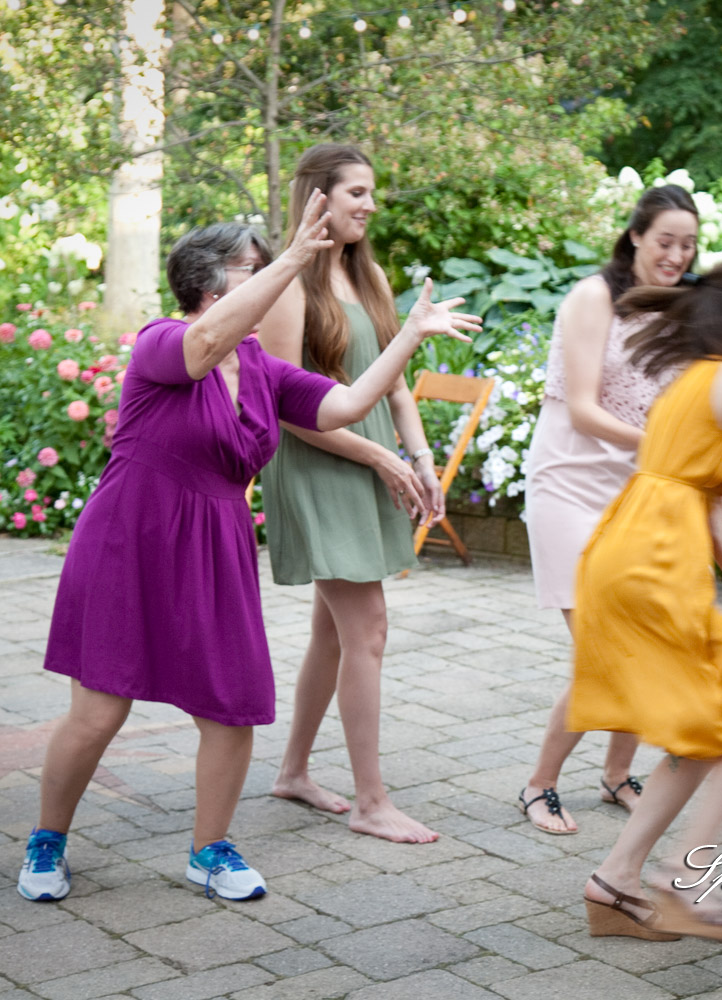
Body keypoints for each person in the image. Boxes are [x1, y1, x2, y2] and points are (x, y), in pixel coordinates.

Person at [18, 195, 478, 903]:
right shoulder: (162, 341)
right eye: (253, 268)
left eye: (273, 269)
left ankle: (210, 850)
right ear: (207, 284)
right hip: (130, 540)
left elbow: (348, 407)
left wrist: (411, 334)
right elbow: (203, 350)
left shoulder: (263, 370)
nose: (275, 281)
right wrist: (296, 254)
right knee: (100, 711)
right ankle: (47, 840)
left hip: (216, 547)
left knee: (231, 705)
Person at [568, 254, 722, 943]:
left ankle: (615, 881)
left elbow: (707, 512)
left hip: (624, 552)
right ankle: (684, 876)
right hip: (653, 564)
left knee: (714, 723)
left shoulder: (691, 379)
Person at [257, 144, 450, 845]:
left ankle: (293, 771)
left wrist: (419, 457)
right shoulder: (286, 288)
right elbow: (284, 410)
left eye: (371, 193)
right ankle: (373, 802)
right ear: (318, 198)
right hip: (317, 464)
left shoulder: (369, 277)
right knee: (366, 627)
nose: (369, 205)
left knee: (330, 629)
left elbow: (394, 381)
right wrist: (377, 456)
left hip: (370, 461)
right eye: (356, 193)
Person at [518, 185, 699, 835]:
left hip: (636, 494)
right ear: (635, 238)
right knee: (611, 653)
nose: (677, 255)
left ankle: (617, 775)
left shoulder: (683, 310)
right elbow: (589, 409)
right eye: (665, 241)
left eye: (688, 244)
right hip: (567, 487)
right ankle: (538, 786)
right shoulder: (593, 298)